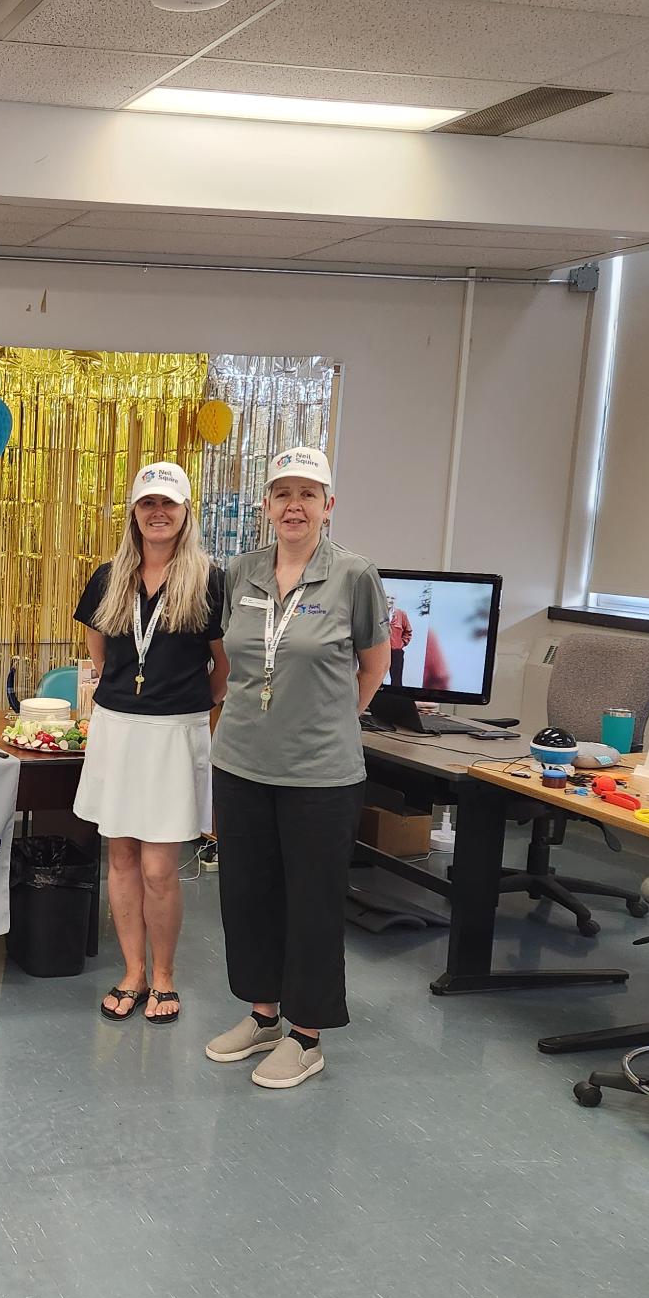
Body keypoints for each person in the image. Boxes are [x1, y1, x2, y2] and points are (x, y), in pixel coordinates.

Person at [203, 446, 388, 1089]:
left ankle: (306, 1035)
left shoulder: (354, 576)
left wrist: (334, 720)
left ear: (329, 507)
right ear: (266, 505)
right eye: (283, 493)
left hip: (320, 773)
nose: (294, 505)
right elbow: (229, 661)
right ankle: (262, 1016)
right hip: (242, 762)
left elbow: (373, 664)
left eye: (308, 494)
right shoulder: (239, 573)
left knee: (310, 902)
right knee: (249, 896)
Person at [73, 461, 224, 1026]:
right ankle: (133, 972)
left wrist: (181, 703)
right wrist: (131, 695)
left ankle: (165, 977)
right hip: (118, 728)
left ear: (185, 513)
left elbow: (223, 667)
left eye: (169, 504)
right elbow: (99, 652)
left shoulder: (209, 581)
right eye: (147, 504)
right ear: (134, 514)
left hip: (174, 733)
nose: (157, 513)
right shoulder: (110, 576)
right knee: (122, 857)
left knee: (161, 867)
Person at [387, 595, 412, 687]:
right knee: (375, 684)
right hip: (379, 652)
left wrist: (400, 644)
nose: (390, 600)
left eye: (392, 598)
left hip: (396, 653)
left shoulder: (401, 614)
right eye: (387, 597)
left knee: (396, 683)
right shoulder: (376, 613)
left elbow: (408, 632)